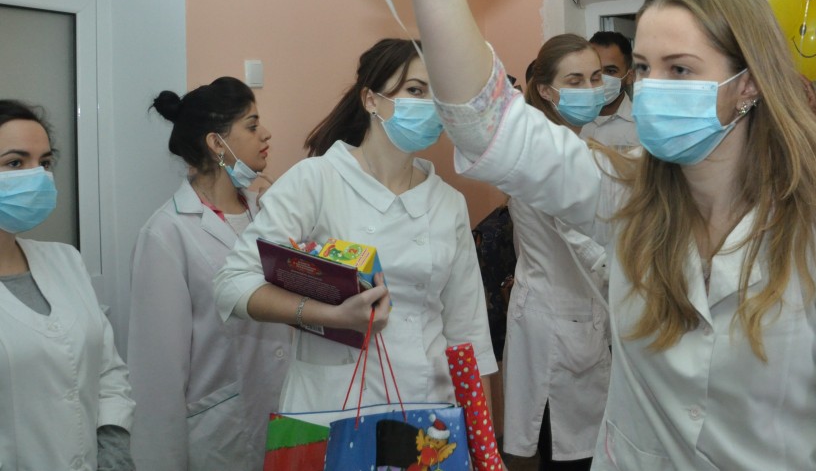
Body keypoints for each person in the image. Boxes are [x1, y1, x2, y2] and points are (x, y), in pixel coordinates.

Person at [340, 0, 816, 470]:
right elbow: (492, 127)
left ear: (748, 85)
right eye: (644, 67)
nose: (652, 87)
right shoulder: (626, 196)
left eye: (680, 69)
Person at [214, 39, 498, 416]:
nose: (430, 105)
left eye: (439, 96)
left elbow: (469, 334)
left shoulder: (448, 203)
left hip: (430, 410)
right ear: (370, 100)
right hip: (335, 409)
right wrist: (329, 316)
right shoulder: (316, 181)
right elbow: (232, 284)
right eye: (416, 90)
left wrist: (482, 439)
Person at [128, 78, 291, 470]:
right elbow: (159, 373)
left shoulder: (270, 212)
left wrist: (287, 215)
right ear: (217, 143)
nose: (266, 134)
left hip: (288, 419)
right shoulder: (166, 233)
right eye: (252, 125)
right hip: (219, 433)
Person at [0, 100, 135, 471]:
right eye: (15, 163)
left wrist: (114, 450)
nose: (38, 177)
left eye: (44, 163)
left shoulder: (65, 261)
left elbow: (107, 369)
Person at [505, 34, 612, 470]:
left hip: (578, 318)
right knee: (563, 454)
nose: (590, 89)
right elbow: (586, 244)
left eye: (595, 77)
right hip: (554, 325)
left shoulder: (575, 144)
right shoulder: (546, 154)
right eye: (575, 80)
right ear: (547, 91)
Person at [581, 31, 638, 150]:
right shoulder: (569, 119)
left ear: (629, 77)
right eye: (594, 69)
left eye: (611, 71)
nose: (600, 78)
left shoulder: (641, 126)